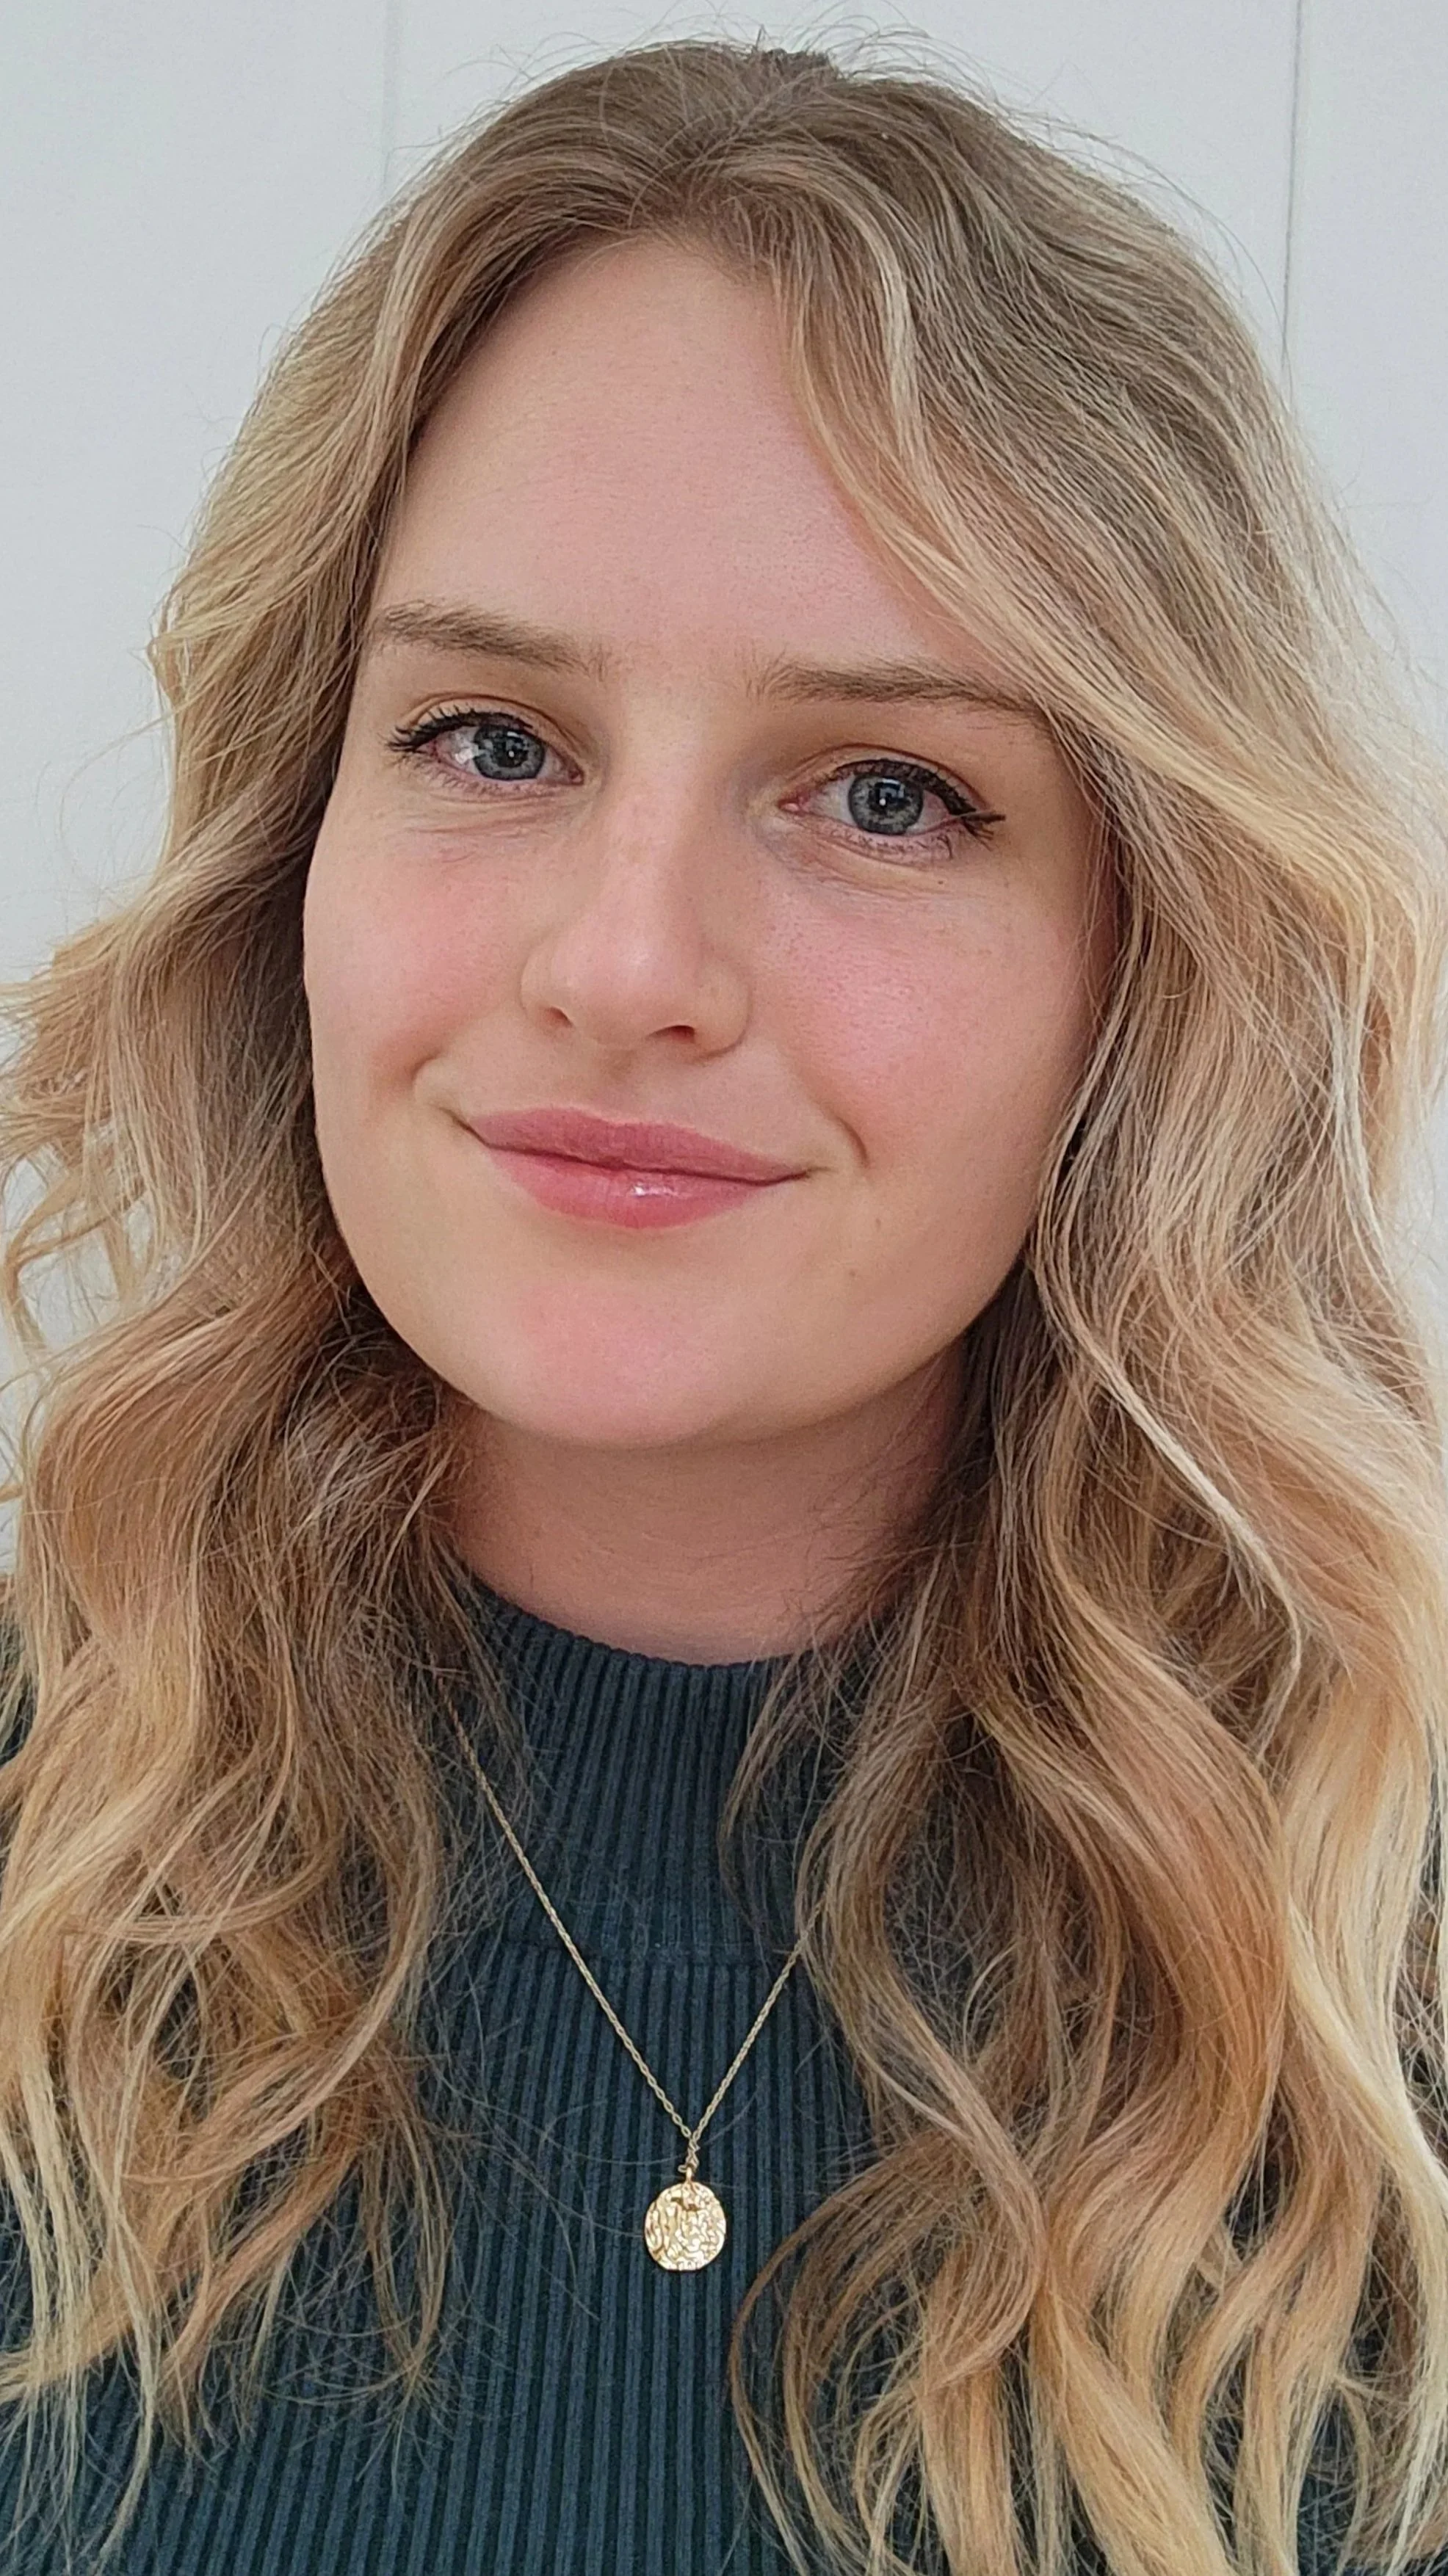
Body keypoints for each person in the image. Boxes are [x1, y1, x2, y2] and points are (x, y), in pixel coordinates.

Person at [1, 31, 1447, 2576]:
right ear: (291, 856)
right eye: (489, 736)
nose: (629, 960)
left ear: (1144, 958)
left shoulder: (1379, 1971)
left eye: (886, 791)